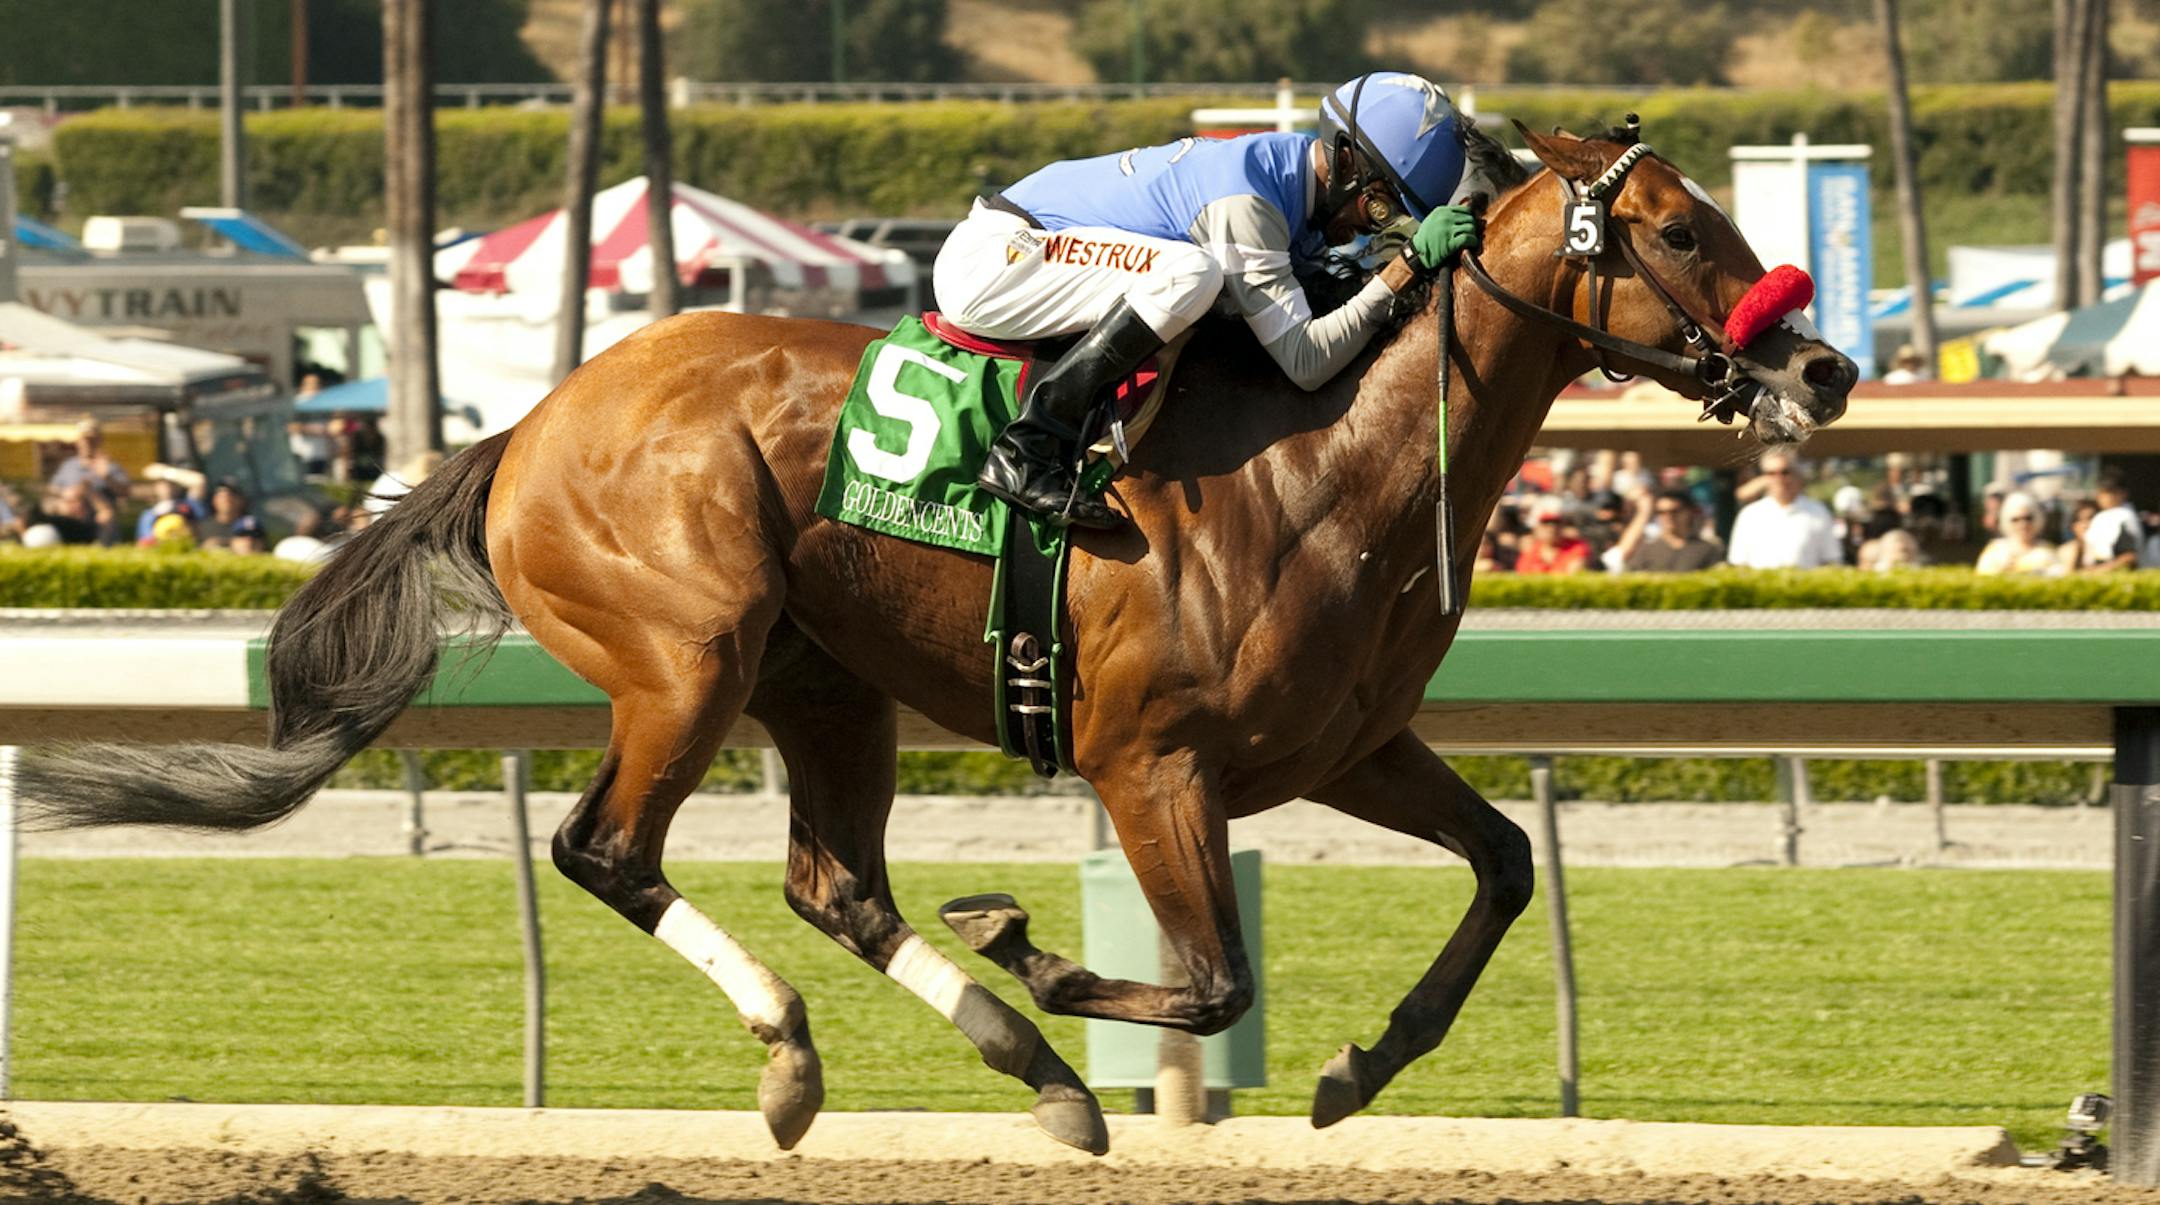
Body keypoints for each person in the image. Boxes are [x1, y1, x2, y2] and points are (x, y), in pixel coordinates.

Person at [934, 71, 1482, 529]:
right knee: (1192, 275)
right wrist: (1405, 269)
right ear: (1344, 163)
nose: (1366, 233)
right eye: (1379, 211)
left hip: (1030, 248)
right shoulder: (1249, 204)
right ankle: (1028, 448)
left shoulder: (1289, 181)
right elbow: (1307, 362)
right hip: (995, 261)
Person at [1727, 452, 1841, 569]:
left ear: (1796, 474)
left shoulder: (1818, 512)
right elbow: (1739, 563)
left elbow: (1831, 560)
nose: (1778, 479)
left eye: (1784, 472)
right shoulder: (1749, 515)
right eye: (1771, 473)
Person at [1617, 488, 1724, 572]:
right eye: (1661, 512)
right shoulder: (1645, 551)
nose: (1668, 516)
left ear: (1689, 512)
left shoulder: (1708, 550)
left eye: (1674, 511)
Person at [47, 417, 131, 504]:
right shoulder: (69, 466)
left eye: (92, 440)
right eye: (84, 439)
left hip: (102, 516)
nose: (88, 443)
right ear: (78, 441)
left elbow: (125, 493)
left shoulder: (111, 466)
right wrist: (65, 493)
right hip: (72, 516)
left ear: (99, 440)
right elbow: (52, 488)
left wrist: (107, 477)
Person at [1974, 491, 2056, 576]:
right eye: (2015, 519)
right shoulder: (1995, 550)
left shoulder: (2048, 550)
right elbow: (1982, 578)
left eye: (2028, 518)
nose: (2023, 524)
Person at [2083, 470, 2147, 573]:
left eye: (2110, 492)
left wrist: (2100, 571)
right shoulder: (2101, 517)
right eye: (2101, 492)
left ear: (2123, 493)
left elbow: (2129, 556)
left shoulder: (2124, 516)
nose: (2105, 497)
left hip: (2119, 577)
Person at [1514, 503, 1591, 574]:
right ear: (1536, 529)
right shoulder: (1530, 549)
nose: (1552, 528)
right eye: (1545, 524)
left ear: (1563, 527)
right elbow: (1522, 574)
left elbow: (1574, 574)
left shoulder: (1576, 546)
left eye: (1556, 523)